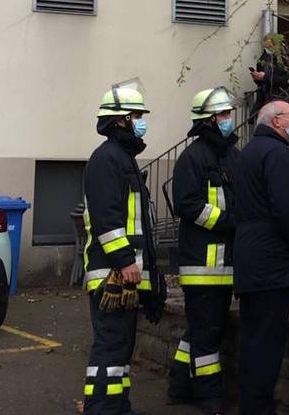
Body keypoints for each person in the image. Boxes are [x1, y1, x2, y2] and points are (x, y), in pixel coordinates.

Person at [81, 82, 163, 415]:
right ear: (119, 121)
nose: (142, 121)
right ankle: (102, 407)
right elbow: (107, 217)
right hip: (112, 273)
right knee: (111, 346)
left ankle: (116, 406)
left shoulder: (122, 159)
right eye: (137, 115)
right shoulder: (107, 160)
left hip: (124, 274)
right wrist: (125, 260)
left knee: (120, 348)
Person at [232, 100, 289, 415]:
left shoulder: (248, 154)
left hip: (250, 259)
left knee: (253, 341)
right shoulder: (278, 155)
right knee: (267, 345)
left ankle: (251, 405)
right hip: (273, 261)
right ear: (277, 121)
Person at [166, 87, 241, 415]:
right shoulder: (192, 158)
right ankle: (209, 395)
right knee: (208, 334)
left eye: (228, 113)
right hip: (201, 267)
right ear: (209, 119)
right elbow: (187, 205)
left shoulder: (230, 156)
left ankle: (179, 385)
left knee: (201, 329)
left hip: (225, 266)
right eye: (223, 114)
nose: (229, 119)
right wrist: (228, 221)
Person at [250, 34, 289, 119]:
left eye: (269, 46)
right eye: (266, 46)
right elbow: (261, 82)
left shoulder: (284, 59)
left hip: (280, 96)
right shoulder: (263, 59)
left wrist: (265, 77)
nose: (267, 49)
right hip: (265, 97)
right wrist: (257, 78)